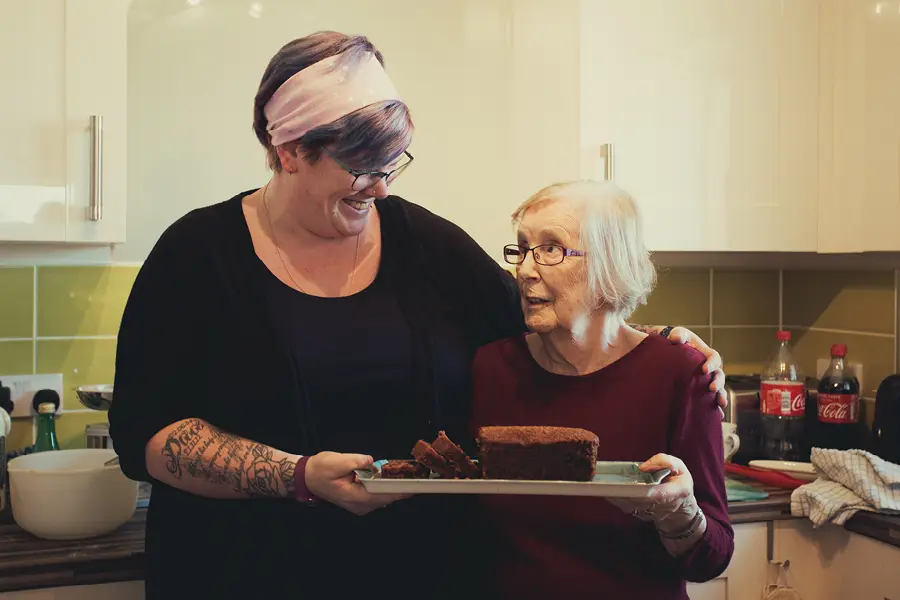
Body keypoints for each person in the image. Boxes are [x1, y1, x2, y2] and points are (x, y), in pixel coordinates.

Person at [108, 31, 727, 599]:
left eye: (392, 165)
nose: (379, 188)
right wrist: (296, 476)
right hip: (237, 574)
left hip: (415, 575)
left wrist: (654, 340)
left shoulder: (427, 247)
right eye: (361, 167)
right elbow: (147, 438)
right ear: (290, 150)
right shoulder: (198, 256)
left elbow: (543, 315)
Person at [469, 180, 734, 600]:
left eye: (551, 248)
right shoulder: (491, 368)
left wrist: (678, 514)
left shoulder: (680, 374)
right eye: (522, 248)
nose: (524, 269)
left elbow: (711, 558)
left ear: (608, 264)